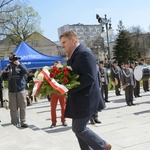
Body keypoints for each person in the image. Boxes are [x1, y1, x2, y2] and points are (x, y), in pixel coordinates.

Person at [60, 30, 111, 150]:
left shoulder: (84, 53)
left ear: (73, 40)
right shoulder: (73, 55)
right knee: (78, 130)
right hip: (79, 99)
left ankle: (103, 146)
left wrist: (69, 88)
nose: (62, 45)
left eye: (64, 42)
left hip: (87, 99)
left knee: (78, 128)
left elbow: (89, 77)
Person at [1, 53, 28, 128]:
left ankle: (23, 121)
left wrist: (19, 64)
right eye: (14, 59)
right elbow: (3, 78)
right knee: (13, 108)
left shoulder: (20, 65)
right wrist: (4, 73)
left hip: (21, 90)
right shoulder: (8, 68)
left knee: (22, 106)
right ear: (10, 60)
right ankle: (15, 122)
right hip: (12, 91)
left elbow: (26, 72)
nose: (15, 60)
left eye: (16, 59)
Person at [50, 60, 67, 128]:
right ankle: (53, 122)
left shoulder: (62, 72)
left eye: (58, 64)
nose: (57, 65)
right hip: (54, 92)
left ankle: (63, 120)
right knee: (53, 108)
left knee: (63, 107)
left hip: (61, 92)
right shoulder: (51, 72)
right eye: (56, 64)